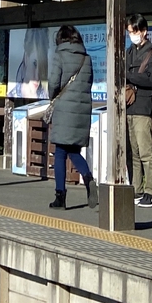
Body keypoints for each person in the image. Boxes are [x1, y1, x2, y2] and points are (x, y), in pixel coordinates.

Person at [47, 25, 97, 210]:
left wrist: (53, 97)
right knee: (74, 151)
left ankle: (60, 197)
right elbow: (89, 83)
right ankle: (88, 178)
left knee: (60, 152)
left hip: (64, 108)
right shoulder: (87, 58)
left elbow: (53, 83)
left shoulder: (60, 55)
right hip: (82, 110)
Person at [125, 15, 152, 207]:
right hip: (129, 105)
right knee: (133, 151)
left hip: (143, 106)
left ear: (144, 31)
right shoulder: (129, 51)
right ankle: (136, 188)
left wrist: (129, 75)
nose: (132, 35)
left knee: (146, 151)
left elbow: (150, 80)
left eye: (135, 31)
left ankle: (151, 192)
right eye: (130, 32)